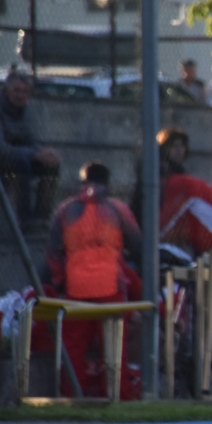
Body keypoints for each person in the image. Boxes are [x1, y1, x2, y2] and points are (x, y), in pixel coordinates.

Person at [45, 161, 142, 399]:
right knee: (114, 344)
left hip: (77, 287)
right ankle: (118, 394)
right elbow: (138, 245)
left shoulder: (65, 209)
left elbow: (52, 251)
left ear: (83, 181)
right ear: (107, 183)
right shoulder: (117, 209)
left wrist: (61, 280)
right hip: (110, 287)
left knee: (74, 345)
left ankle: (72, 395)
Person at [154, 127, 212, 257]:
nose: (178, 151)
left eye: (181, 146)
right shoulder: (181, 181)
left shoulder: (178, 182)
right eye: (173, 146)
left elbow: (163, 226)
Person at [0, 69, 61, 227]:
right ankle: (25, 219)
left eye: (24, 91)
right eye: (16, 90)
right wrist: (34, 154)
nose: (20, 95)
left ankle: (41, 217)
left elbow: (30, 142)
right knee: (22, 163)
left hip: (19, 159)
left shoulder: (25, 112)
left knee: (51, 165)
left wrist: (43, 153)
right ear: (6, 90)